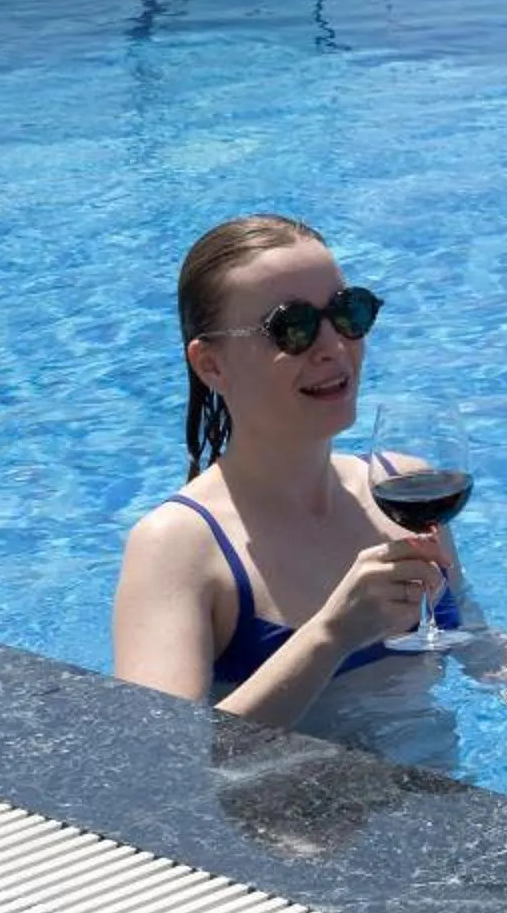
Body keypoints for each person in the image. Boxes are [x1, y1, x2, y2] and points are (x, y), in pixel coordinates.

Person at [111, 214, 458, 726]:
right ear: (211, 365)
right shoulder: (177, 547)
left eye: (348, 313)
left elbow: (478, 644)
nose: (334, 347)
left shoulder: (404, 488)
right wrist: (330, 635)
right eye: (291, 329)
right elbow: (157, 763)